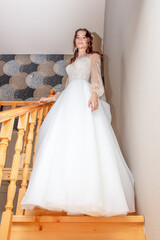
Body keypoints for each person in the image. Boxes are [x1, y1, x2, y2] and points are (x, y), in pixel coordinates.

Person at [21, 28, 136, 217]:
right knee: (65, 142)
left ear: (89, 41)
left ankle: (89, 196)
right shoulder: (72, 61)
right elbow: (67, 87)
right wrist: (49, 99)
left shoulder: (94, 57)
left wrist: (93, 95)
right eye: (78, 37)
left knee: (86, 140)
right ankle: (66, 194)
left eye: (84, 37)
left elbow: (96, 79)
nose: (81, 40)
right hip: (68, 100)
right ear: (74, 40)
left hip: (84, 97)